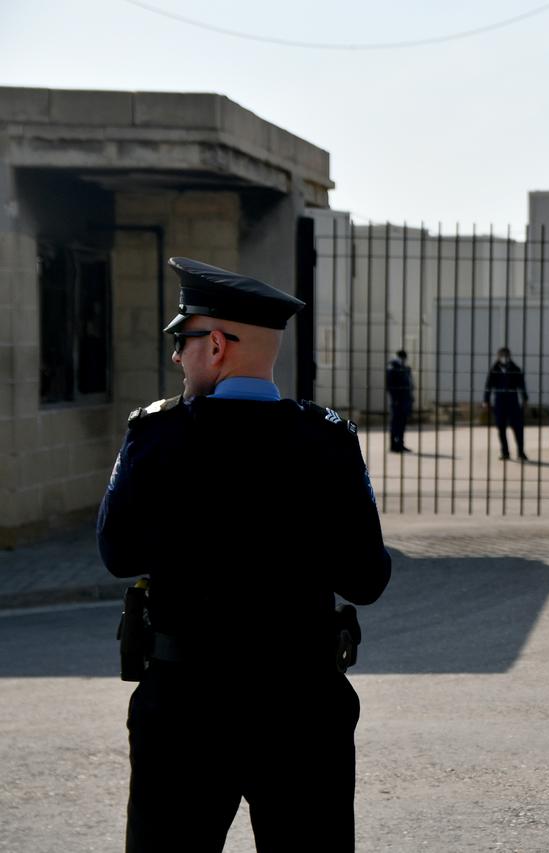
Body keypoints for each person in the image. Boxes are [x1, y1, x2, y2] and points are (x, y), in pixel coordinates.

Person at [98, 257, 392, 852]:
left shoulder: (156, 434)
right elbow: (366, 579)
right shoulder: (327, 439)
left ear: (215, 345)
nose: (177, 357)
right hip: (301, 706)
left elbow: (117, 551)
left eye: (183, 341)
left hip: (185, 706)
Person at [483, 346, 529, 461]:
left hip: (512, 401)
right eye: (501, 355)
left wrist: (525, 399)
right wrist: (486, 400)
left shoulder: (516, 369)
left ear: (509, 356)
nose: (503, 358)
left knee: (518, 428)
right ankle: (505, 452)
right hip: (499, 402)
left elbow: (522, 385)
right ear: (498, 357)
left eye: (505, 355)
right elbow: (488, 386)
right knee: (501, 428)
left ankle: (521, 452)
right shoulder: (494, 370)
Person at [386, 349, 414, 453]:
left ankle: (400, 444)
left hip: (405, 400)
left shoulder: (405, 368)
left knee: (402, 422)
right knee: (395, 423)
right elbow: (390, 385)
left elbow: (409, 384)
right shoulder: (392, 367)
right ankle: (394, 445)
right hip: (397, 401)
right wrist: (395, 399)